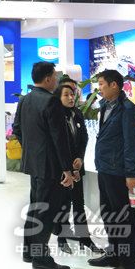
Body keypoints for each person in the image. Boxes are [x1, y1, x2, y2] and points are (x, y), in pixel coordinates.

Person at [13, 62, 74, 269]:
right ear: (48, 78)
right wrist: (67, 169)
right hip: (50, 166)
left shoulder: (25, 99)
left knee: (36, 207)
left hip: (34, 164)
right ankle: (41, 258)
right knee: (45, 212)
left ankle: (29, 252)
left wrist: (32, 150)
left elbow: (17, 129)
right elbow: (59, 138)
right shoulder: (51, 101)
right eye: (55, 76)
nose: (56, 80)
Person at [87, 69, 135, 269]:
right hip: (105, 168)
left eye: (102, 84)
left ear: (114, 85)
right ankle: (114, 255)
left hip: (119, 171)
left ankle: (129, 264)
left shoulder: (127, 109)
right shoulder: (105, 105)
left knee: (123, 217)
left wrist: (131, 173)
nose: (99, 88)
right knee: (108, 214)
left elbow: (132, 143)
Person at [52, 81, 103, 254]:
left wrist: (80, 158)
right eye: (66, 95)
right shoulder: (55, 116)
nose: (70, 97)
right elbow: (57, 144)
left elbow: (84, 138)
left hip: (77, 167)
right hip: (62, 169)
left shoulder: (78, 113)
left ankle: (84, 239)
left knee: (79, 204)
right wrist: (67, 166)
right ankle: (62, 238)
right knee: (63, 204)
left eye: (72, 94)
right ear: (58, 97)